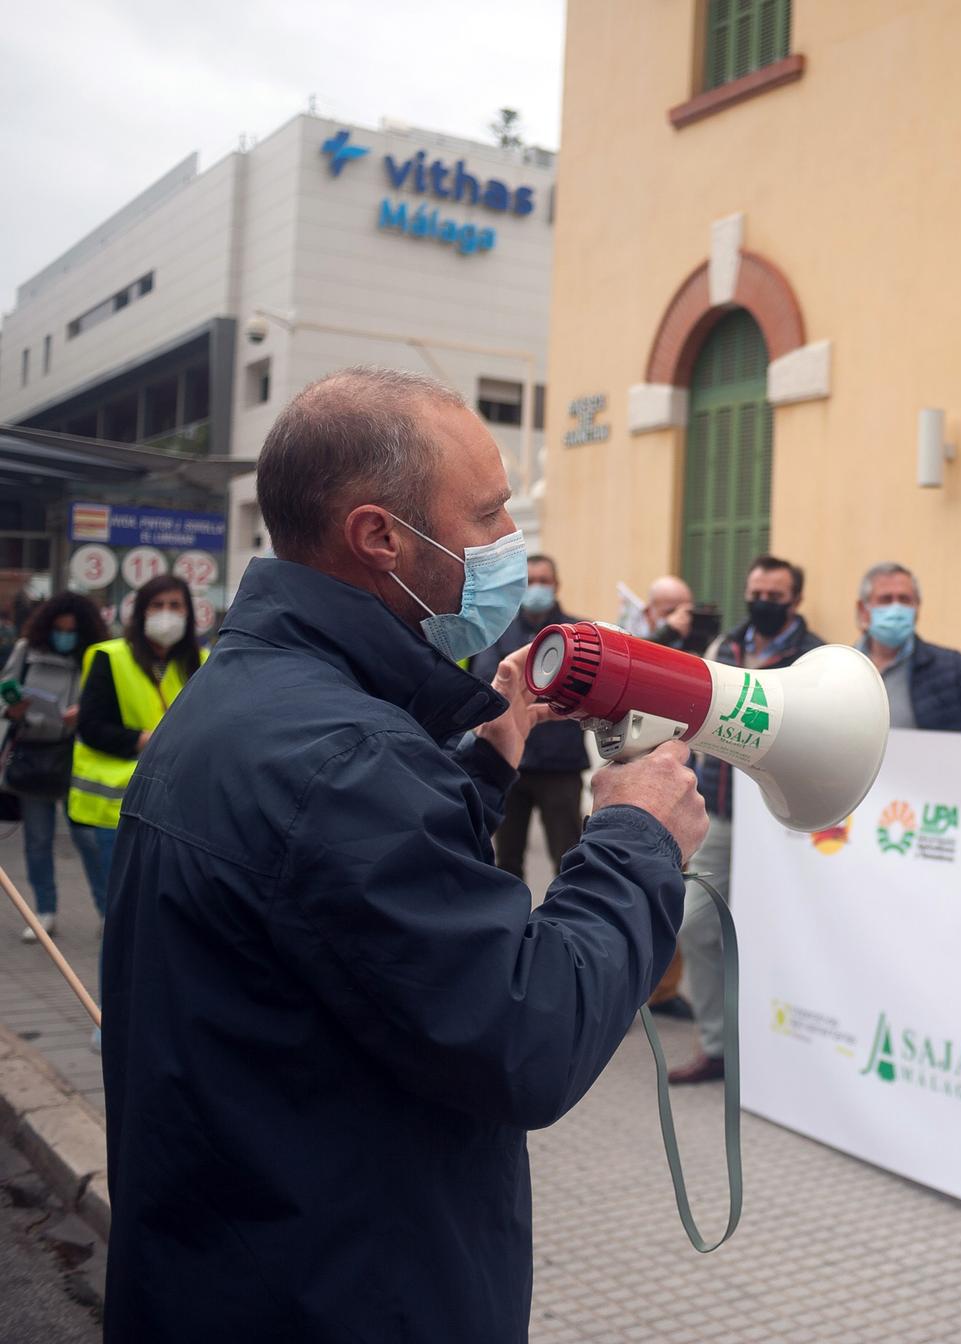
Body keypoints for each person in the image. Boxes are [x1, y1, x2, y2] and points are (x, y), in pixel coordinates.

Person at [99, 368, 707, 1340]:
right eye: (489, 515)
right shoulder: (343, 758)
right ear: (381, 536)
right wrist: (636, 838)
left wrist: (485, 757)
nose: (510, 545)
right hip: (342, 1296)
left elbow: (345, 912)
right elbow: (526, 1034)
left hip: (230, 1266)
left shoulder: (252, 697)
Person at [671, 554, 823, 1085]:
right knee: (694, 924)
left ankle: (784, 1049)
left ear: (795, 600)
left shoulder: (815, 659)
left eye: (774, 596)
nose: (761, 603)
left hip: (781, 822)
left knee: (780, 934)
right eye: (755, 592)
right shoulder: (725, 648)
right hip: (724, 814)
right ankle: (717, 1045)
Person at [69, 573, 207, 912]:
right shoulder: (110, 656)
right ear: (141, 611)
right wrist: (145, 740)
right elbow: (91, 727)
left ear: (189, 614)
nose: (166, 613)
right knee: (120, 916)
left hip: (176, 812)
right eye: (157, 605)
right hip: (111, 811)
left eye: (175, 605)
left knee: (158, 919)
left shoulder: (203, 662)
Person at [468, 554, 591, 878]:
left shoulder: (582, 634)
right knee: (505, 863)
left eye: (544, 581)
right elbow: (485, 679)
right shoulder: (495, 632)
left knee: (568, 860)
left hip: (560, 765)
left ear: (557, 585)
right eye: (531, 581)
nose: (537, 587)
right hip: (510, 765)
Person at [2, 592, 109, 939]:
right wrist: (13, 709)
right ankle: (44, 911)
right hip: (35, 753)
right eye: (59, 629)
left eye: (72, 630)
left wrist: (85, 714)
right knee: (37, 839)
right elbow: (6, 692)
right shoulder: (26, 653)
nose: (65, 636)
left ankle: (107, 909)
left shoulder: (96, 657)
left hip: (78, 757)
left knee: (88, 838)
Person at [856, 562, 961, 733]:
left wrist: (960, 752)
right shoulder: (840, 666)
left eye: (905, 600)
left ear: (917, 608)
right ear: (863, 609)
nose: (896, 608)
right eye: (886, 599)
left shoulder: (950, 667)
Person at [642, 573, 699, 650]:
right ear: (648, 613)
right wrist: (667, 632)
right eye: (671, 612)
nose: (680, 619)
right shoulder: (630, 636)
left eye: (686, 613)